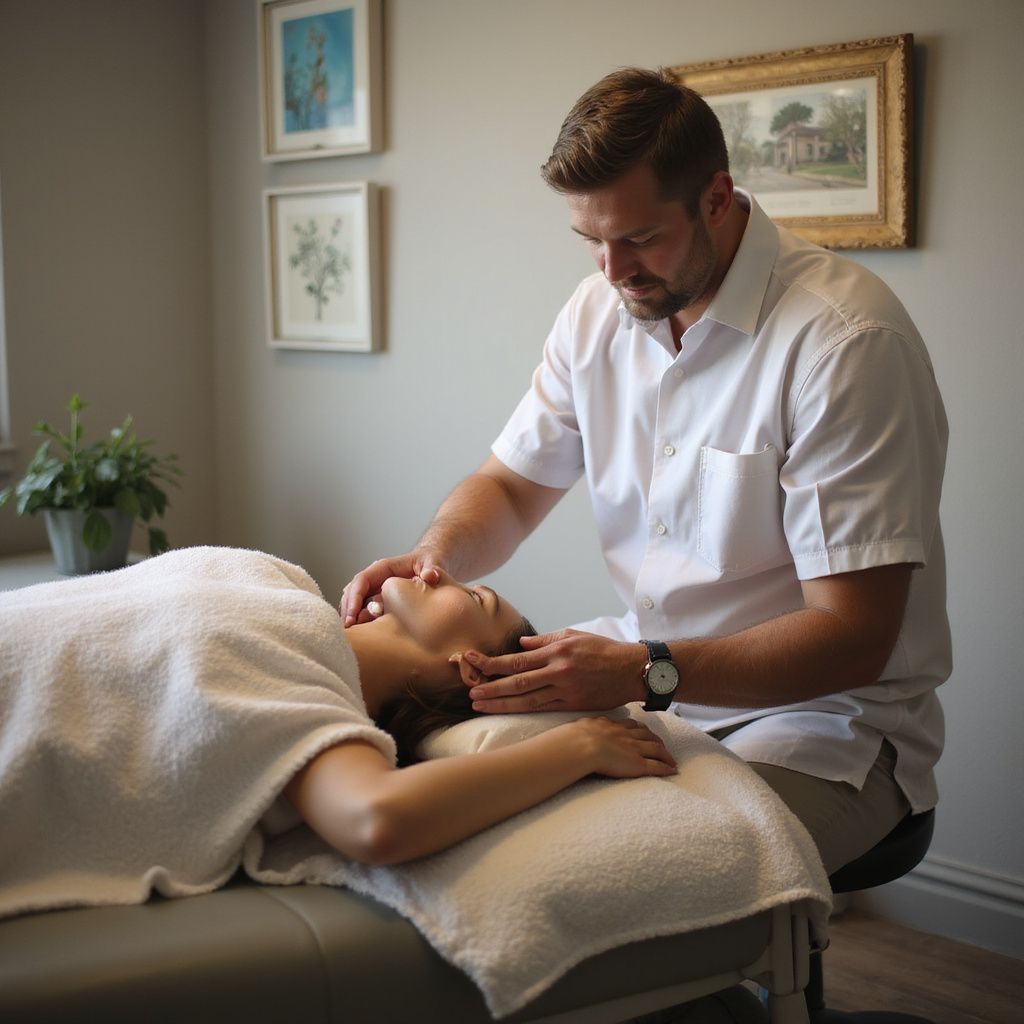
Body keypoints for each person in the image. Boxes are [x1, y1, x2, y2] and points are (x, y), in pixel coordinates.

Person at [340, 68, 951, 876]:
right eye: (590, 239)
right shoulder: (600, 312)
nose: (611, 269)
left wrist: (643, 669)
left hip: (822, 721)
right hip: (648, 679)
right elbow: (512, 486)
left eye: (638, 238)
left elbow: (854, 638)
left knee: (621, 872)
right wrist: (439, 556)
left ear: (717, 197)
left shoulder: (843, 342)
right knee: (479, 837)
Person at [0, 546, 675, 921]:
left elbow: (376, 819)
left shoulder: (313, 697)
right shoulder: (278, 580)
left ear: (469, 667)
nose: (433, 569)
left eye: (472, 598)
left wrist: (580, 743)